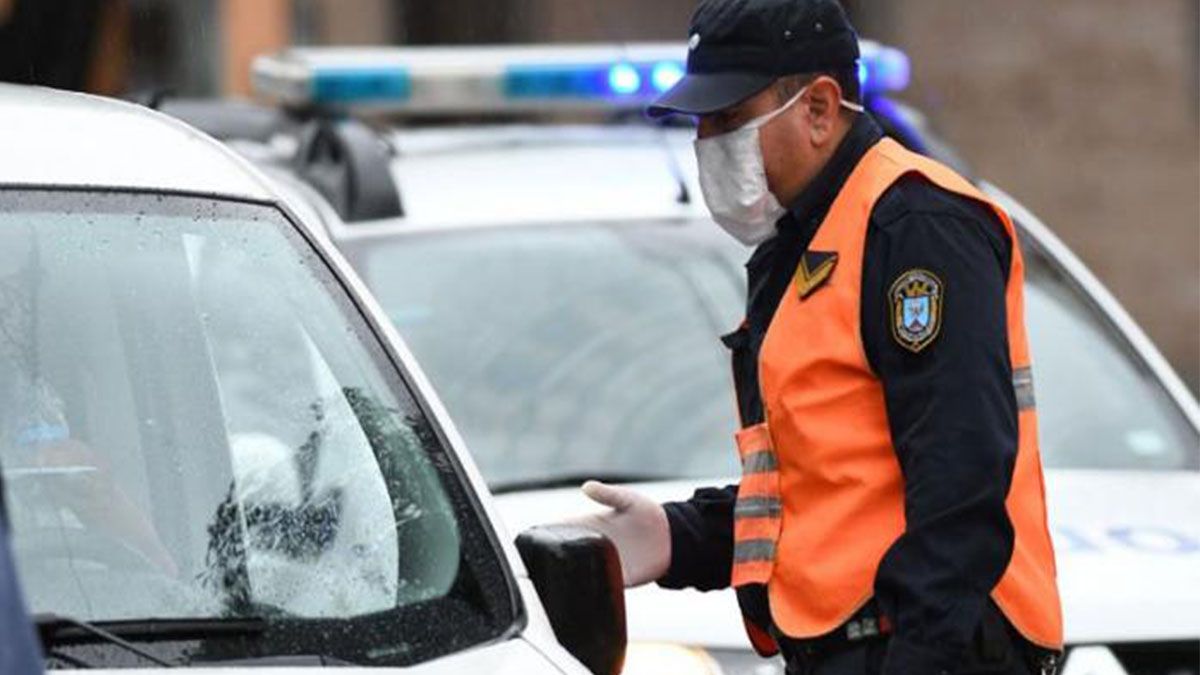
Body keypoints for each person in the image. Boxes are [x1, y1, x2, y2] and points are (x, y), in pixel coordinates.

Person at [574, 1, 1064, 673]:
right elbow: (821, 486)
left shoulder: (915, 225)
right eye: (702, 126)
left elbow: (961, 482)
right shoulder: (803, 241)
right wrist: (676, 536)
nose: (709, 146)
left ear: (819, 108)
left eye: (729, 120)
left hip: (933, 650)